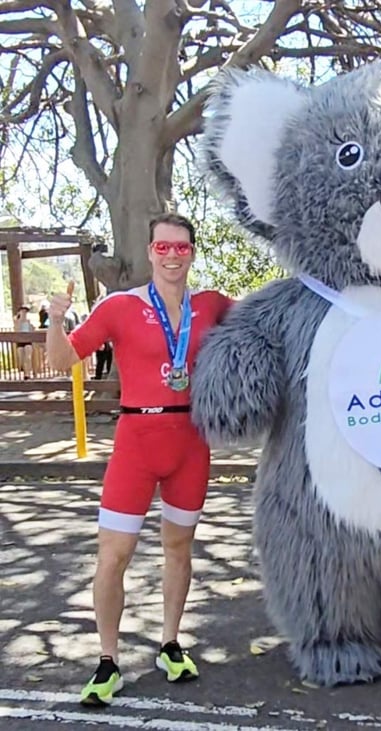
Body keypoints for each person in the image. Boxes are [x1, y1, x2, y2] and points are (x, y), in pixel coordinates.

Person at [46, 212, 232, 706]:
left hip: (191, 441)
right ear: (150, 252)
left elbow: (268, 327)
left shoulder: (211, 305)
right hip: (136, 441)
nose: (172, 256)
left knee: (179, 549)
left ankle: (170, 644)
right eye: (163, 247)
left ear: (192, 253)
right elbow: (62, 360)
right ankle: (108, 661)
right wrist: (57, 321)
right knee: (114, 555)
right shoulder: (120, 306)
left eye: (181, 247)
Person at [14, 304, 35, 379]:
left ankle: (27, 374)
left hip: (28, 341)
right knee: (21, 358)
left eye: (25, 312)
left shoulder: (29, 322)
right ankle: (25, 371)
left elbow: (32, 331)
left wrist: (32, 327)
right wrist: (19, 320)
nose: (24, 313)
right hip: (20, 341)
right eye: (22, 311)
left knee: (28, 357)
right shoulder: (17, 321)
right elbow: (16, 330)